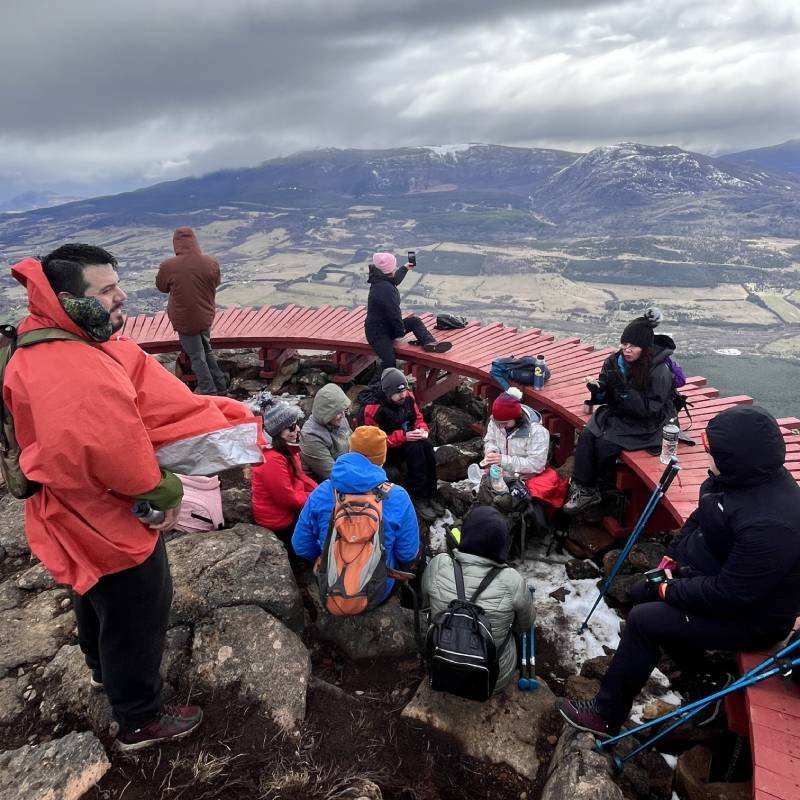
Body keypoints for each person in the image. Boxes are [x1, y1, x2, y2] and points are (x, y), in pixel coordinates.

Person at [4, 244, 264, 751]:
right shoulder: (73, 368)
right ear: (68, 300)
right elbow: (116, 455)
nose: (121, 296)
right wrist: (166, 490)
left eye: (116, 283)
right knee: (137, 611)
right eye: (105, 291)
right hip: (103, 518)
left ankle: (103, 671)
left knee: (95, 591)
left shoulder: (40, 342)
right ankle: (141, 720)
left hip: (70, 510)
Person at [558, 405, 800, 738]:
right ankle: (702, 674)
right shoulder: (734, 478)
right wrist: (669, 562)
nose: (705, 452)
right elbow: (701, 519)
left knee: (645, 621)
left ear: (737, 457)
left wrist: (670, 590)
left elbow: (731, 595)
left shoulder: (771, 525)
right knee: (641, 591)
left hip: (752, 617)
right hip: (711, 574)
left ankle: (606, 715)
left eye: (712, 449)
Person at [292, 426, 420, 604]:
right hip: (378, 593)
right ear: (381, 459)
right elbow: (407, 553)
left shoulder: (322, 491)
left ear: (350, 452)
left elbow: (300, 545)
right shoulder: (398, 496)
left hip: (330, 589)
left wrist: (323, 556)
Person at [565, 313, 675, 514]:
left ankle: (604, 492)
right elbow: (606, 394)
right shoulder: (615, 361)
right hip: (619, 412)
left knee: (606, 443)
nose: (627, 349)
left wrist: (623, 391)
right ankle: (583, 487)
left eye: (633, 345)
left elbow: (649, 409)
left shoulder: (659, 372)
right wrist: (598, 391)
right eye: (624, 344)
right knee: (588, 435)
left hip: (648, 422)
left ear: (645, 347)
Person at [422, 506, 536, 693]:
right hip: (493, 678)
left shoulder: (439, 565)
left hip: (442, 666)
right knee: (511, 632)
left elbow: (425, 600)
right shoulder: (512, 580)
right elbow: (525, 624)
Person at [362, 367, 443, 522]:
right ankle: (418, 496)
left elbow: (418, 418)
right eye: (398, 393)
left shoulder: (408, 397)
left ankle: (431, 493)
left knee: (426, 445)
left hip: (406, 438)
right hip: (388, 450)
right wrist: (403, 436)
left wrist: (421, 430)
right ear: (387, 393)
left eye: (404, 391)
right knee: (416, 449)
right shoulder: (373, 410)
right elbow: (374, 441)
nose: (403, 395)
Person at [156, 227, 227, 395]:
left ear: (176, 244)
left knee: (196, 356)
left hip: (184, 319)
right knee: (206, 349)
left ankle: (209, 390)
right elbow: (215, 282)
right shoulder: (210, 262)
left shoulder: (168, 266)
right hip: (205, 315)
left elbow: (161, 287)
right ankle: (221, 386)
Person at [364, 251, 452, 371]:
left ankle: (429, 343)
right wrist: (400, 331)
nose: (395, 267)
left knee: (415, 321)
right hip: (377, 333)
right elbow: (394, 313)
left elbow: (394, 279)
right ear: (389, 268)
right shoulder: (385, 289)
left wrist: (405, 268)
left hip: (387, 327)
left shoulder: (380, 278)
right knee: (389, 361)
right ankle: (377, 387)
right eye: (394, 265)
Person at [251, 399, 317, 539]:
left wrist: (318, 491)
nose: (297, 430)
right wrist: (314, 498)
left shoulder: (286, 449)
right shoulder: (272, 460)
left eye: (297, 425)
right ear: (277, 432)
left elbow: (300, 477)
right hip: (277, 520)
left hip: (288, 509)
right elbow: (286, 498)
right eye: (291, 427)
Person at [483, 387, 550, 479]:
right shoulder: (496, 421)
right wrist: (491, 452)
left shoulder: (537, 432)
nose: (500, 427)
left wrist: (503, 460)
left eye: (504, 423)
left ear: (517, 418)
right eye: (497, 423)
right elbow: (490, 440)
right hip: (500, 472)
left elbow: (536, 465)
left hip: (524, 478)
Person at [299, 383, 352, 481]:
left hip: (347, 470)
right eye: (337, 412)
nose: (343, 415)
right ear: (326, 413)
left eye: (344, 410)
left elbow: (354, 446)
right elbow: (333, 474)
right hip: (322, 485)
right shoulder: (310, 436)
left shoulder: (339, 419)